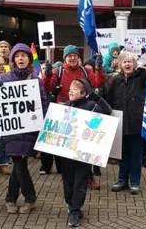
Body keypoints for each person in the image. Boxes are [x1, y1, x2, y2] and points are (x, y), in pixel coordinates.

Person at [42, 44, 105, 190]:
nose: (72, 58)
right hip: (65, 113)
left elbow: (98, 82)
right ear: (65, 58)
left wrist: (99, 69)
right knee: (68, 148)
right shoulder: (59, 71)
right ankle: (69, 178)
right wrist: (48, 75)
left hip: (84, 111)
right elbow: (47, 87)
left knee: (85, 147)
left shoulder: (86, 70)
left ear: (78, 57)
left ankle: (88, 176)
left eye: (74, 55)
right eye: (69, 55)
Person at [0, 43, 48, 214]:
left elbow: (43, 103)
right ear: (12, 59)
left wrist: (43, 127)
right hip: (10, 129)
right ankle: (29, 197)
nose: (20, 59)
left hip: (30, 128)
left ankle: (10, 199)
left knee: (20, 163)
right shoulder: (3, 79)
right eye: (17, 56)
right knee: (18, 162)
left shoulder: (35, 80)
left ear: (29, 59)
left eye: (24, 55)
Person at [61, 79, 112, 227]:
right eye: (70, 88)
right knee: (68, 181)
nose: (71, 90)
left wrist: (96, 97)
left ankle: (75, 211)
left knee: (80, 182)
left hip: (84, 153)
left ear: (84, 93)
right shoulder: (65, 107)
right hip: (66, 152)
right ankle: (71, 205)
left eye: (75, 89)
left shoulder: (92, 107)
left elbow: (107, 112)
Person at [106, 51, 146, 195]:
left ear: (134, 64)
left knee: (136, 155)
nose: (127, 64)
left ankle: (135, 182)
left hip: (136, 123)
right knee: (122, 155)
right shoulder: (115, 80)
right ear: (120, 64)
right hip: (120, 124)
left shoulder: (141, 78)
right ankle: (122, 180)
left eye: (129, 62)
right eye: (124, 62)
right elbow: (109, 100)